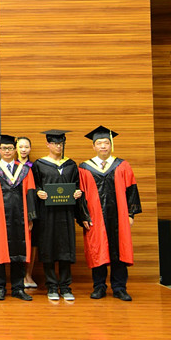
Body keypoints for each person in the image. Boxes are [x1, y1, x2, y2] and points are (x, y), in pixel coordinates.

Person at [79, 126, 142, 301]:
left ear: (111, 145)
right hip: (95, 217)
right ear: (93, 146)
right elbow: (81, 195)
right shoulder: (84, 168)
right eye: (99, 143)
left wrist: (130, 214)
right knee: (97, 250)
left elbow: (132, 190)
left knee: (119, 250)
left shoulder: (122, 165)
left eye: (106, 143)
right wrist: (84, 216)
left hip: (119, 217)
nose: (103, 146)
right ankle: (99, 287)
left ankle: (119, 287)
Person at [31, 130, 91, 302]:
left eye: (61, 143)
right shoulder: (39, 164)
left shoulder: (71, 165)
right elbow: (34, 186)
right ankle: (51, 286)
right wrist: (38, 192)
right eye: (55, 143)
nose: (58, 146)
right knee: (48, 248)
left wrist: (78, 193)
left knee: (66, 249)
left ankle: (65, 286)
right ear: (48, 144)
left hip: (66, 213)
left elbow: (77, 186)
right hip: (47, 214)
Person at [0, 134, 36, 301]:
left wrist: (31, 217)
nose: (7, 151)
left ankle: (18, 288)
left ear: (15, 150)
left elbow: (30, 193)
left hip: (20, 218)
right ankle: (0, 288)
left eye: (10, 148)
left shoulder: (25, 171)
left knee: (19, 252)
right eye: (4, 148)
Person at [16, 136, 39, 289]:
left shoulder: (35, 167)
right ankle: (19, 276)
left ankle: (28, 275)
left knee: (33, 242)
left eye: (26, 147)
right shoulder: (11, 167)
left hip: (34, 208)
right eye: (20, 147)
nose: (23, 150)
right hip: (16, 209)